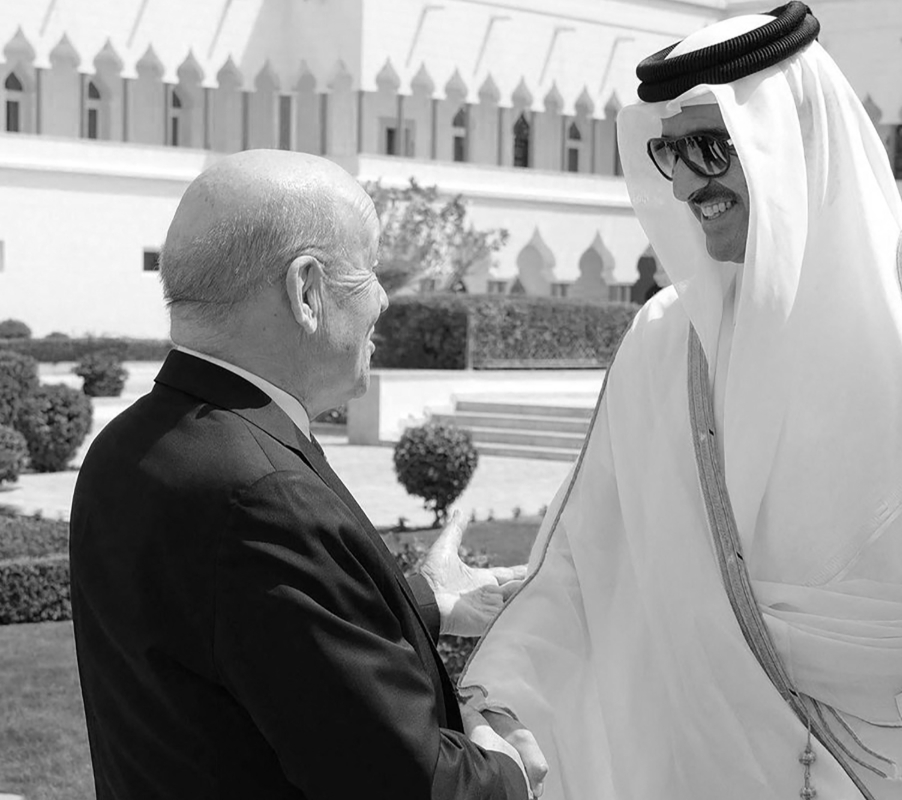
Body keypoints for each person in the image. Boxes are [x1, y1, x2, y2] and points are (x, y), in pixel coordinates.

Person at [459, 5, 902, 800]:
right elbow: (587, 561)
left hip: (901, 776)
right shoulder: (670, 337)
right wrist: (504, 688)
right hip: (704, 763)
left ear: (790, 136)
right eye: (670, 151)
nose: (690, 182)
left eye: (712, 145)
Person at [70, 149, 545, 799]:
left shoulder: (128, 446)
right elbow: (407, 786)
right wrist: (505, 768)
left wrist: (427, 603)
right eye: (371, 271)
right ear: (307, 290)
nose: (382, 300)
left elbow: (256, 650)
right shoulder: (263, 497)